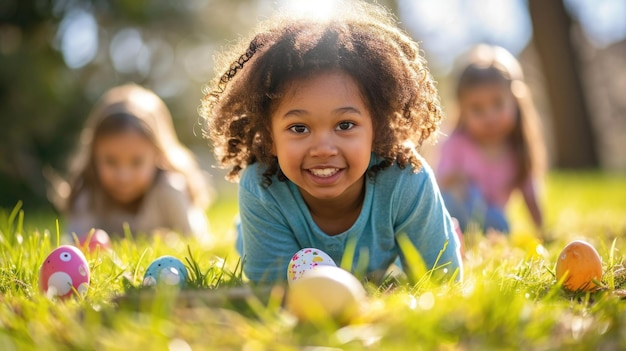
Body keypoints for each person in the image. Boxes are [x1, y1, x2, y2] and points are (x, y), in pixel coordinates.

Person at [200, 1, 462, 283]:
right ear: (270, 137)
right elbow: (273, 293)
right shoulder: (262, 187)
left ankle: (446, 228)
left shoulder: (406, 180)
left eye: (345, 125)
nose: (324, 148)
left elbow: (443, 281)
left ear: (377, 127)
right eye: (299, 128)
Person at [63, 84, 212, 239]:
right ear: (94, 155)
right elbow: (75, 245)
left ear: (158, 154)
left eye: (137, 162)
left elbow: (197, 240)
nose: (123, 176)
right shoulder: (89, 195)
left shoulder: (169, 190)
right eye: (111, 161)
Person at [436, 45, 546, 236]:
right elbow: (439, 185)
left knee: (501, 222)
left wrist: (541, 228)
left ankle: (489, 234)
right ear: (462, 110)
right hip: (456, 212)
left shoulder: (517, 149)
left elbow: (530, 193)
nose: (489, 117)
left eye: (498, 104)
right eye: (477, 109)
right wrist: (459, 181)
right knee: (459, 200)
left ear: (515, 101)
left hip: (494, 220)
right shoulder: (457, 143)